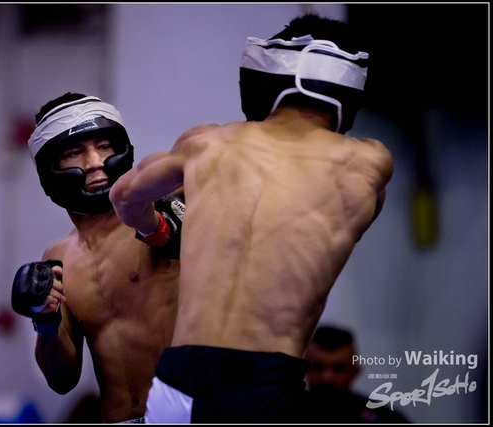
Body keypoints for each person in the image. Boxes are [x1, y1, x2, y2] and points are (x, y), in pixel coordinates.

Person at [109, 13, 393, 423]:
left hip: (177, 383)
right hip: (264, 387)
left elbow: (123, 197)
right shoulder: (366, 165)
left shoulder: (205, 144)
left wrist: (158, 230)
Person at [10, 93, 185, 423]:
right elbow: (62, 381)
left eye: (103, 146)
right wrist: (45, 321)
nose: (94, 162)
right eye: (75, 152)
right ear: (51, 170)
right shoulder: (58, 257)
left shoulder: (158, 214)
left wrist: (166, 224)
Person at [304, 325, 409, 423]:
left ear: (355, 371)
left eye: (339, 368)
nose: (327, 377)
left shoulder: (387, 419)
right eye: (318, 367)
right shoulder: (294, 414)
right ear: (305, 369)